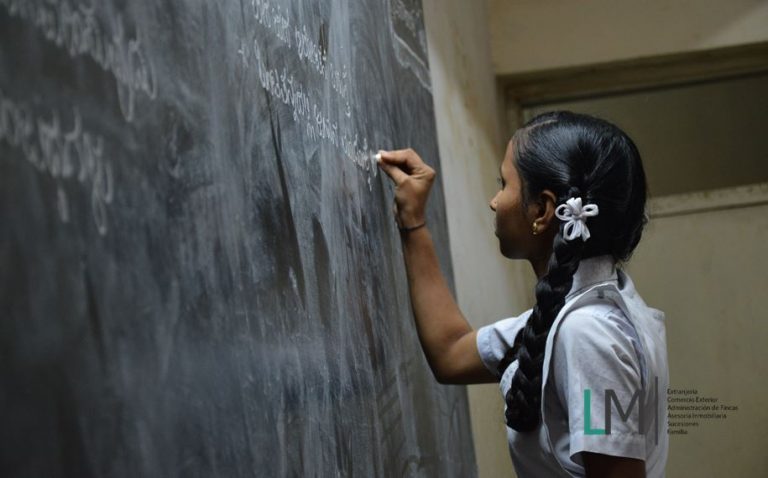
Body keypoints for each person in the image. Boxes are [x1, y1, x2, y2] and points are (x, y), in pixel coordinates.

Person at [376, 111, 669, 478]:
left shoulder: (590, 334)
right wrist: (413, 221)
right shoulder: (577, 314)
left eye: (504, 184)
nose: (494, 201)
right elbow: (451, 353)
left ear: (543, 210)